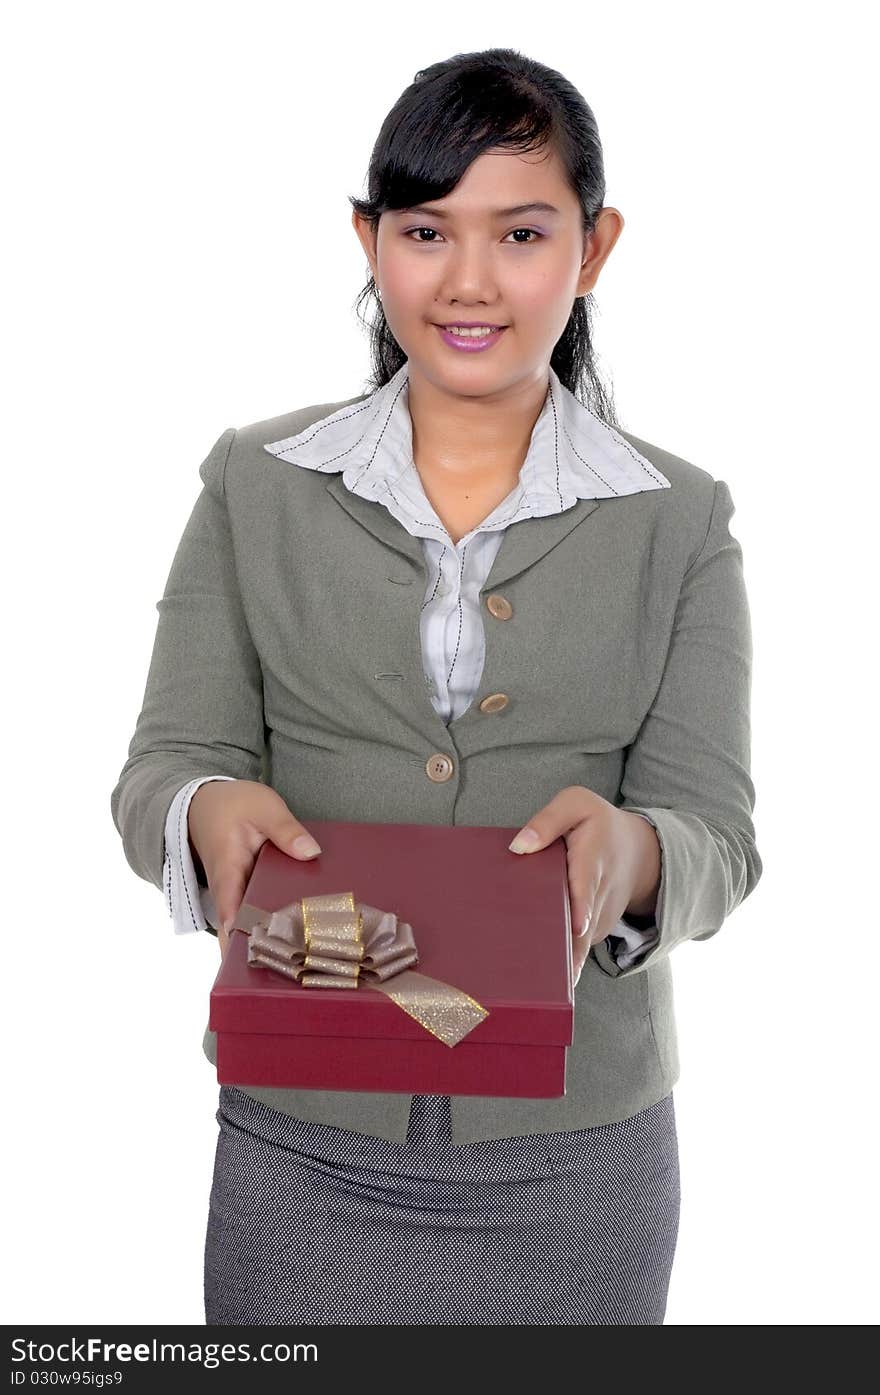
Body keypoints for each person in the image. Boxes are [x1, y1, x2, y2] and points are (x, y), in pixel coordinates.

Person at [110, 46, 763, 1326]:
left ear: (594, 245)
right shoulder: (254, 483)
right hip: (300, 1141)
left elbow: (718, 840)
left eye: (521, 232)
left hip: (578, 1153)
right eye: (425, 229)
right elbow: (160, 768)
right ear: (369, 242)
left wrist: (628, 855)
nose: (469, 282)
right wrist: (203, 815)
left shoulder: (679, 518)